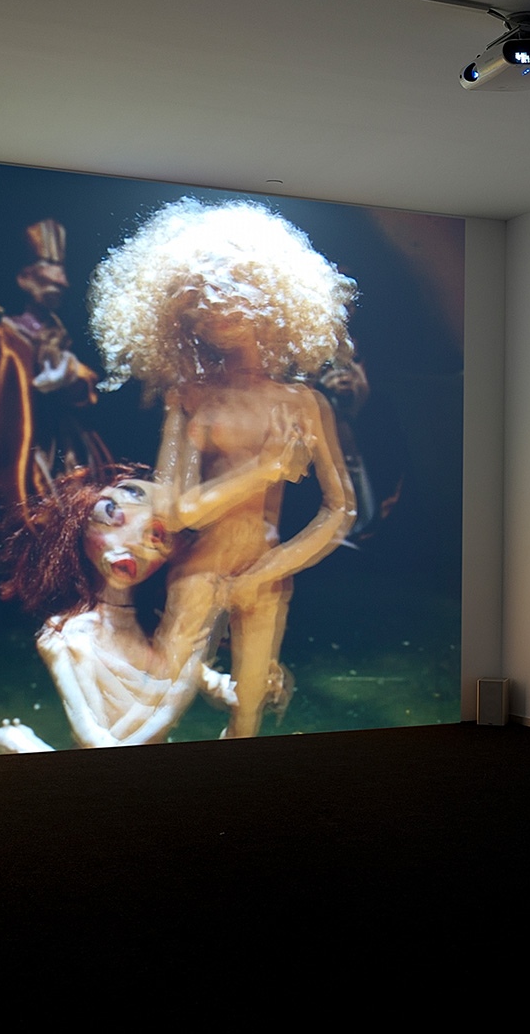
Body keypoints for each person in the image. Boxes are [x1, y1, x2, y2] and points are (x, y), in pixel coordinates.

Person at [88, 198, 357, 739]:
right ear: (183, 316)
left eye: (235, 290)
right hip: (199, 575)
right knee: (155, 706)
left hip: (265, 575)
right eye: (201, 302)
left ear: (270, 295)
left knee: (248, 716)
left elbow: (340, 509)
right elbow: (178, 511)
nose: (219, 310)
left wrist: (266, 572)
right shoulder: (189, 398)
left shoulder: (303, 404)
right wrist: (264, 470)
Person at [0, 452, 305, 753]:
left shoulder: (162, 631)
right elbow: (92, 738)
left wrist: (253, 688)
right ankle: (16, 742)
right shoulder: (67, 639)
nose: (133, 544)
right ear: (82, 518)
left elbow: (218, 687)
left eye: (156, 535)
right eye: (113, 514)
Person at [0, 218, 109, 555]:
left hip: (61, 444)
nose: (61, 283)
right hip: (16, 446)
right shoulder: (5, 335)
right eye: (51, 275)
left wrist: (69, 376)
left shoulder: (58, 337)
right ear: (25, 278)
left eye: (61, 278)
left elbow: (86, 384)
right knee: (18, 514)